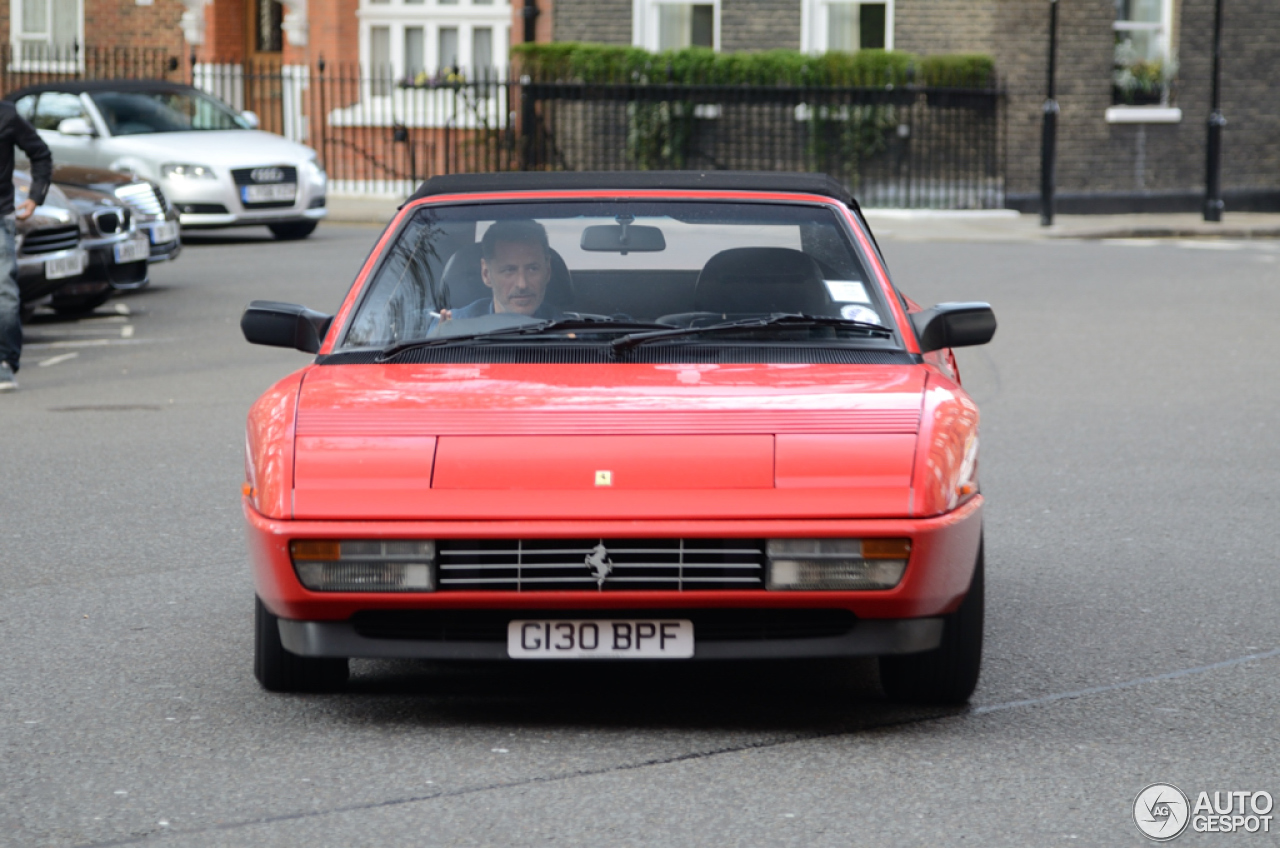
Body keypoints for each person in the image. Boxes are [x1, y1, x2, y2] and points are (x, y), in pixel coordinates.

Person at [1, 99, 53, 392]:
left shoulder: (7, 116)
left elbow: (41, 154)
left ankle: (4, 363)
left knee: (4, 290)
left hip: (0, 216)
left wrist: (36, 196)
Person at [440, 220, 558, 322]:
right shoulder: (454, 325)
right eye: (509, 270)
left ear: (547, 271)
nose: (522, 284)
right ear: (486, 274)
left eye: (533, 269)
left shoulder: (570, 332)